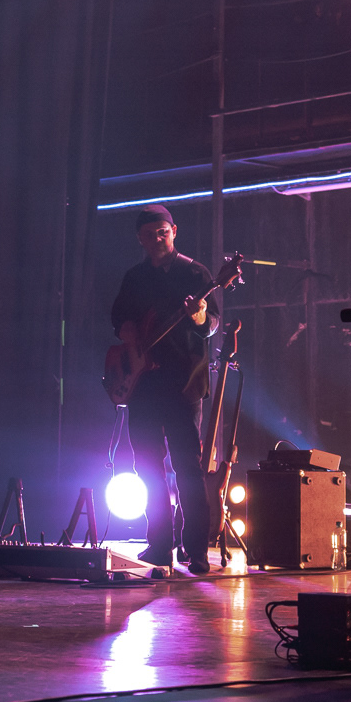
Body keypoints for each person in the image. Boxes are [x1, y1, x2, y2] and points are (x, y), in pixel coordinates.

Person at [110, 205, 220, 575]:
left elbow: (212, 323)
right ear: (140, 239)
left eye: (162, 232)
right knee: (148, 468)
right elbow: (118, 317)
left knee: (187, 467)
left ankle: (197, 551)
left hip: (183, 384)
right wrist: (126, 330)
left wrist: (200, 314)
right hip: (143, 385)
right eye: (149, 235)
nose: (157, 239)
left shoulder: (195, 273)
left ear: (174, 231)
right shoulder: (134, 277)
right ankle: (159, 546)